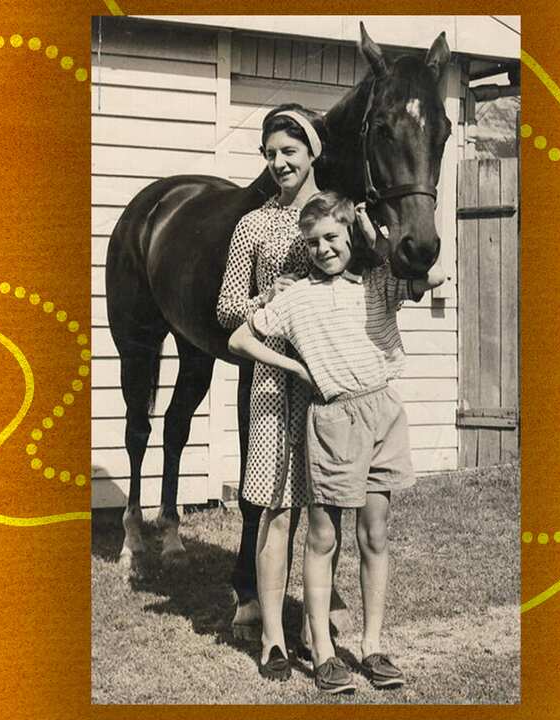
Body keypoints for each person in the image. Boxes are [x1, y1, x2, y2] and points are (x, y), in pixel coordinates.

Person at [227, 191, 446, 693]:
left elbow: (433, 275)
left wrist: (376, 239)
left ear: (350, 236)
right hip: (333, 418)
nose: (324, 248)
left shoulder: (379, 283)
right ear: (305, 247)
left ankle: (371, 645)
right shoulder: (296, 297)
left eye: (333, 237)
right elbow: (240, 339)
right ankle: (324, 652)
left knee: (375, 533)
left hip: (383, 413)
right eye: (314, 241)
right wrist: (296, 366)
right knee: (323, 536)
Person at [216, 103, 340, 681]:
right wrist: (267, 299)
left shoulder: (335, 216)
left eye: (289, 151)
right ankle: (271, 638)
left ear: (312, 151)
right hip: (271, 380)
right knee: (273, 509)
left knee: (324, 511)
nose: (279, 163)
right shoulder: (253, 225)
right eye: (270, 154)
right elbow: (225, 307)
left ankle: (320, 638)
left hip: (326, 379)